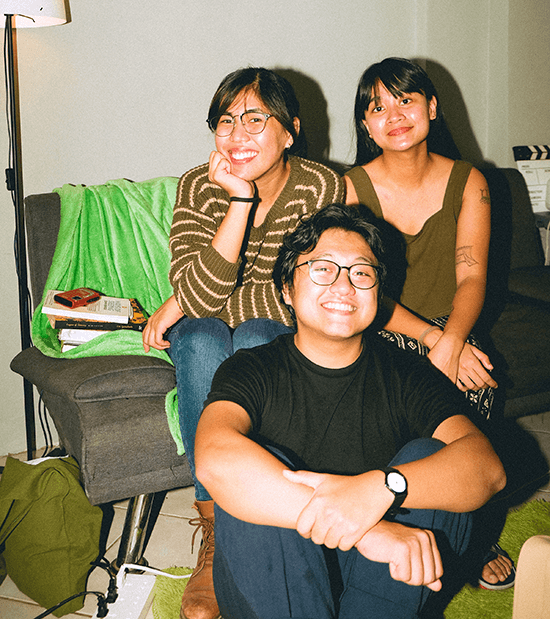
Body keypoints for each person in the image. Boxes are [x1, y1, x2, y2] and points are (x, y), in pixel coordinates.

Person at [194, 203, 506, 618]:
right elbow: (214, 459)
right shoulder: (253, 368)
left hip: (381, 583)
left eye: (361, 273)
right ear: (287, 289)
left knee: (429, 457)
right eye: (323, 269)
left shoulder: (406, 373)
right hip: (276, 577)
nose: (343, 286)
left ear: (378, 293)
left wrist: (383, 487)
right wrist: (365, 530)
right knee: (255, 473)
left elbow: (487, 469)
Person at [142, 67, 343, 619]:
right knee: (202, 338)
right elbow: (199, 293)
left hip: (269, 329)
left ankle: (255, 507)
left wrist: (181, 303)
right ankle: (214, 526)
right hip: (204, 329)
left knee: (254, 333)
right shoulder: (196, 184)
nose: (236, 136)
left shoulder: (319, 187)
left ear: (290, 131)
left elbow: (299, 295)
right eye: (225, 121)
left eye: (256, 120)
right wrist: (238, 201)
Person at [343, 57, 513, 589]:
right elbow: (360, 289)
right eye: (378, 107)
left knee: (476, 379)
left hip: (448, 324)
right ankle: (389, 518)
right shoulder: (351, 188)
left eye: (405, 100)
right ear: (366, 124)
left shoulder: (469, 181)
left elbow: (472, 276)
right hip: (377, 325)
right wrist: (433, 339)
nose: (394, 115)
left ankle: (471, 530)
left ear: (432, 108)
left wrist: (454, 339)